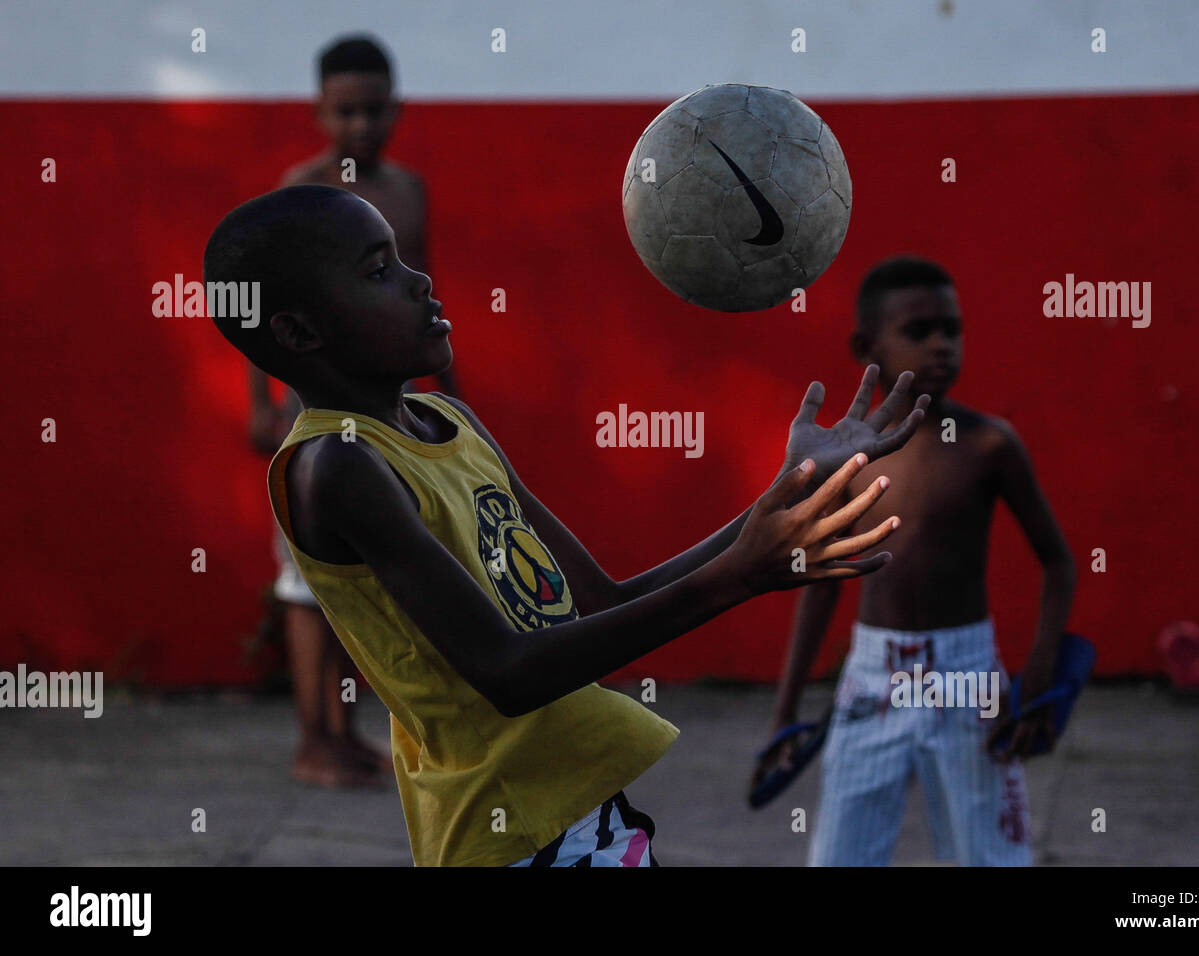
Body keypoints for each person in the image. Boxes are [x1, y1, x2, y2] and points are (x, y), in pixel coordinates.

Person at [204, 184, 930, 865]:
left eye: (403, 258)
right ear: (299, 332)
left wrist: (790, 491)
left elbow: (598, 604)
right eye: (378, 272)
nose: (419, 282)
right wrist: (741, 576)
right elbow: (507, 672)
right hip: (510, 830)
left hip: (577, 809)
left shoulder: (448, 421)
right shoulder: (336, 464)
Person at [766, 256, 1076, 866]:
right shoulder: (843, 459)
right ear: (865, 345)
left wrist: (1037, 679)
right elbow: (823, 580)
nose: (941, 345)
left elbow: (1060, 563)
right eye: (919, 331)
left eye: (952, 329)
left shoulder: (991, 445)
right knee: (838, 858)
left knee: (991, 856)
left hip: (970, 680)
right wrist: (786, 710)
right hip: (870, 677)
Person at [248, 35, 459, 788]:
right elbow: (259, 305)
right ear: (319, 112)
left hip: (390, 413)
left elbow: (422, 296)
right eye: (347, 111)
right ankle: (312, 739)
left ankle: (344, 730)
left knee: (358, 577)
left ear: (397, 107)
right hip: (313, 413)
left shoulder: (409, 192)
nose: (362, 125)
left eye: (375, 109)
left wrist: (455, 401)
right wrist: (263, 405)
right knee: (306, 586)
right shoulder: (298, 190)